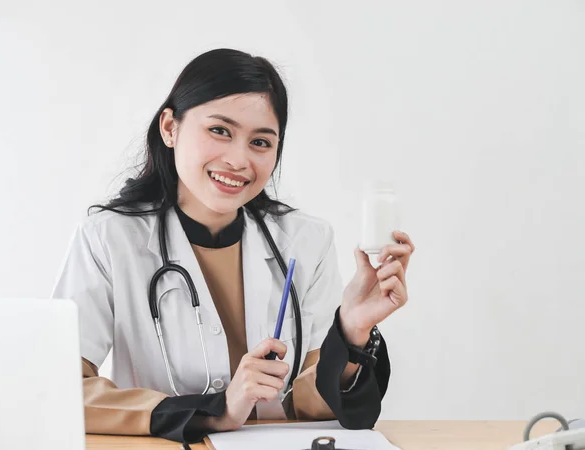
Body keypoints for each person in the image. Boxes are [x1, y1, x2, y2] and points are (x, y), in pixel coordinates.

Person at [52, 48, 415, 444]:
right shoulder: (108, 239)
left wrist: (352, 332)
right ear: (170, 128)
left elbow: (311, 405)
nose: (239, 160)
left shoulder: (306, 240)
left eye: (260, 141)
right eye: (220, 131)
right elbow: (60, 387)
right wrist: (215, 410)